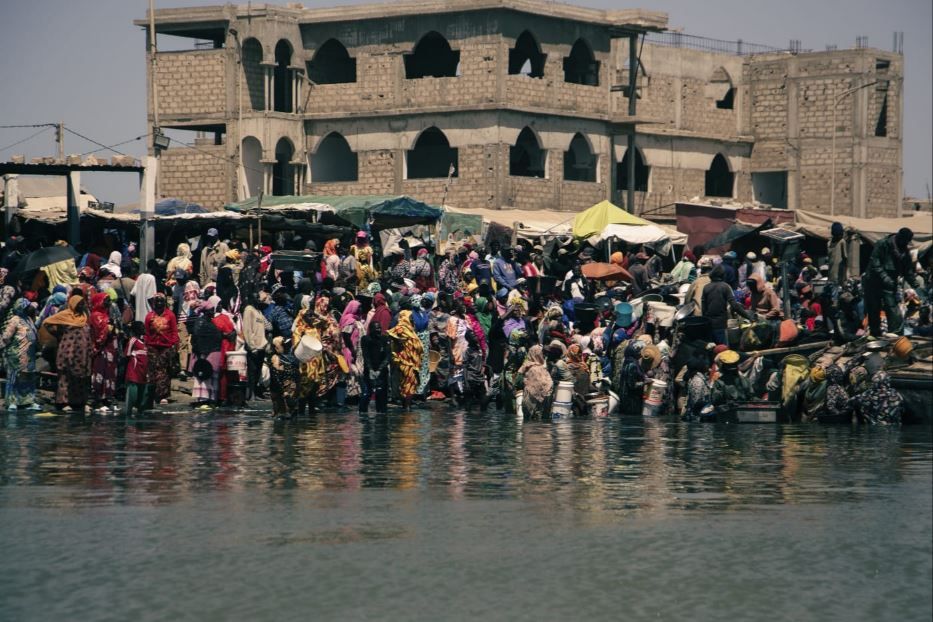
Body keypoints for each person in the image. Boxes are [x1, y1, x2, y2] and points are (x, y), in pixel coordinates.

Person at [863, 227, 923, 337]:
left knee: (893, 309)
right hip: (873, 282)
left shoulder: (904, 251)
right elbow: (875, 263)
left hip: (889, 284)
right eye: (904, 241)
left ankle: (895, 336)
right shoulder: (883, 244)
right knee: (874, 309)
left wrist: (916, 285)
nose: (905, 244)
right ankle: (875, 334)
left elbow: (908, 271)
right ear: (900, 238)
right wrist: (885, 278)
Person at [43, 295, 93, 411]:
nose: (82, 306)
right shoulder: (65, 315)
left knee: (81, 377)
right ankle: (64, 402)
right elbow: (47, 322)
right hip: (68, 350)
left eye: (83, 303)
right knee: (66, 376)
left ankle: (79, 401)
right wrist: (58, 334)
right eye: (79, 303)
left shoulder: (84, 316)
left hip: (83, 353)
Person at [0, 299, 40, 411]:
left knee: (28, 377)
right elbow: (6, 337)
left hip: (29, 355)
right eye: (26, 307)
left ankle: (28, 401)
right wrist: (14, 347)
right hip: (16, 354)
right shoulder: (15, 320)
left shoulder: (28, 319)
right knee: (15, 377)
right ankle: (12, 401)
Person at [702, 265, 751, 344]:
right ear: (723, 276)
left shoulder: (706, 287)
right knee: (723, 349)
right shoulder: (725, 286)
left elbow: (703, 308)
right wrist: (748, 317)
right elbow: (734, 305)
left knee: (712, 348)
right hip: (720, 324)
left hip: (709, 324)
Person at [144, 293, 179, 405]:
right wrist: (146, 345)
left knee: (164, 370)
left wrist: (174, 345)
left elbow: (174, 331)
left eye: (161, 301)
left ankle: (163, 395)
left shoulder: (170, 315)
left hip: (166, 346)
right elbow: (146, 333)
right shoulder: (149, 316)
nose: (159, 303)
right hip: (152, 346)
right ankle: (153, 394)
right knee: (152, 370)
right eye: (157, 301)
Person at [89, 292, 119, 412]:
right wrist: (109, 327)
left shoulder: (106, 314)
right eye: (106, 301)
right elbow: (100, 333)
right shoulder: (95, 315)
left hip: (110, 348)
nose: (108, 303)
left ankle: (108, 396)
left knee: (109, 373)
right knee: (100, 372)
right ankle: (98, 398)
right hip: (101, 349)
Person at [388, 309, 423, 409]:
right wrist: (398, 340)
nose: (412, 319)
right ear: (405, 317)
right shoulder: (401, 327)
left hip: (413, 361)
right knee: (409, 383)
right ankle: (407, 408)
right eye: (410, 317)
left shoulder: (410, 329)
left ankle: (406, 407)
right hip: (405, 360)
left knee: (411, 383)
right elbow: (390, 334)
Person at [241, 295, 270, 400]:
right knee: (252, 371)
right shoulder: (249, 310)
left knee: (258, 371)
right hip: (254, 347)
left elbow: (268, 327)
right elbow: (247, 329)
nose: (258, 299)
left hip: (261, 346)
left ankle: (255, 393)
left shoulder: (259, 312)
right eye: (256, 297)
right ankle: (251, 394)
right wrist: (252, 346)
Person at [360, 321, 390, 414]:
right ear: (371, 329)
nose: (379, 330)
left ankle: (382, 413)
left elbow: (388, 356)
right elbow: (366, 355)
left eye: (380, 328)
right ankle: (363, 414)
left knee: (381, 393)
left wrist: (380, 369)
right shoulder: (366, 339)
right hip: (369, 369)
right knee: (366, 393)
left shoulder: (385, 339)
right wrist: (370, 369)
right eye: (376, 328)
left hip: (382, 370)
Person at [515, 344, 552, 420]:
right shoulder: (543, 369)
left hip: (529, 400)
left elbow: (518, 382)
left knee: (528, 421)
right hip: (544, 400)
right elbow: (549, 385)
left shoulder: (525, 367)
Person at [124, 321, 152, 417]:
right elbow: (127, 354)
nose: (144, 329)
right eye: (142, 328)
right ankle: (129, 411)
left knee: (144, 391)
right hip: (135, 370)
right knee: (133, 391)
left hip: (144, 370)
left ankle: (140, 410)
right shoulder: (133, 340)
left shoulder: (145, 340)